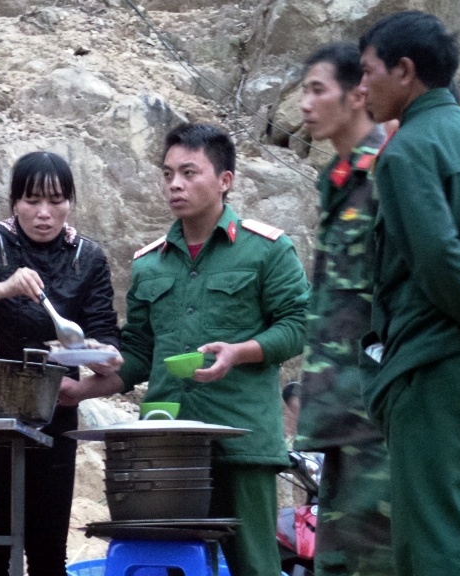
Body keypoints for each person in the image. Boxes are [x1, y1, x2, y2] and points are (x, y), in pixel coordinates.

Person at [73, 123, 310, 576]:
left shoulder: (267, 250)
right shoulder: (150, 263)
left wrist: (239, 352)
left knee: (254, 567)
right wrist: (82, 389)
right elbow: (139, 352)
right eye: (167, 174)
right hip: (167, 447)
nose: (174, 185)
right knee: (165, 566)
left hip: (242, 439)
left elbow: (298, 325)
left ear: (225, 180)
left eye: (188, 172)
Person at [0, 151, 122, 576]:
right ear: (15, 202)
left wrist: (102, 358)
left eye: (56, 200)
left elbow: (106, 335)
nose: (44, 213)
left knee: (48, 552)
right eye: (32, 200)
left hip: (54, 406)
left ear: (70, 203)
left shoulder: (87, 257)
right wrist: (4, 288)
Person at [357, 10, 460, 576]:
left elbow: (439, 261)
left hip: (435, 363)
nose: (361, 87)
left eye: (368, 71)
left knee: (431, 541)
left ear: (404, 71)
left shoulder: (407, 151)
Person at [295, 41, 392, 576]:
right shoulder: (336, 180)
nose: (305, 104)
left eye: (317, 90)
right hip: (337, 417)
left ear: (357, 94)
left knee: (380, 558)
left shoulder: (387, 172)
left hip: (377, 413)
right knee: (335, 561)